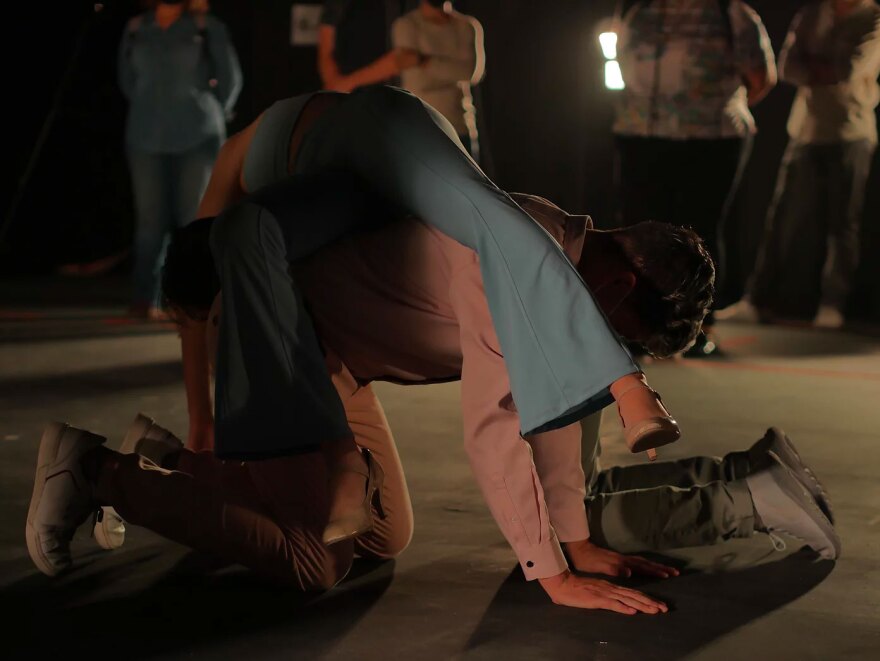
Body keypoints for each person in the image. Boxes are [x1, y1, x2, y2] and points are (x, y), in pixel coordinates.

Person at [29, 187, 714, 613]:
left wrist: (577, 541)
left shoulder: (562, 267)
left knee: (385, 537)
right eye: (624, 342)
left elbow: (559, 405)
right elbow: (495, 424)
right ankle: (92, 469)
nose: (612, 358)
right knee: (313, 560)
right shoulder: (515, 256)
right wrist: (554, 575)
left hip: (333, 364)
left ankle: (169, 461)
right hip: (275, 336)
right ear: (620, 289)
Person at [612, 0, 776, 356]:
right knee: (640, 229)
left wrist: (712, 104)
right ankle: (639, 325)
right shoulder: (638, 10)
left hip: (711, 138)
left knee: (700, 227)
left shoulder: (731, 13)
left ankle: (697, 327)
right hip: (642, 134)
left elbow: (761, 77)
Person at [719, 0, 880, 329]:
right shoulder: (812, 13)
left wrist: (816, 66)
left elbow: (847, 69)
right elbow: (788, 67)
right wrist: (819, 68)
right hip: (804, 130)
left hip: (851, 132)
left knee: (842, 226)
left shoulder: (874, 17)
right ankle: (758, 300)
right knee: (780, 219)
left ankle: (832, 306)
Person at [119, 0, 242, 319]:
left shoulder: (206, 27)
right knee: (149, 221)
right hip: (146, 134)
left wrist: (210, 109)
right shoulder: (136, 28)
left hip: (197, 135)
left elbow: (230, 79)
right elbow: (127, 79)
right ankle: (145, 298)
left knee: (193, 219)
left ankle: (193, 300)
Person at [392, 0, 485, 160]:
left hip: (460, 128)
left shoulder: (467, 25)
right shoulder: (407, 25)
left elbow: (470, 72)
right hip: (421, 130)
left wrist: (423, 60)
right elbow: (415, 75)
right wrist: (450, 70)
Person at [318, 0, 419, 92]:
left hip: (397, 96)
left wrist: (347, 83)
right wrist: (335, 89)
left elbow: (406, 56)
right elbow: (326, 51)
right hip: (351, 98)